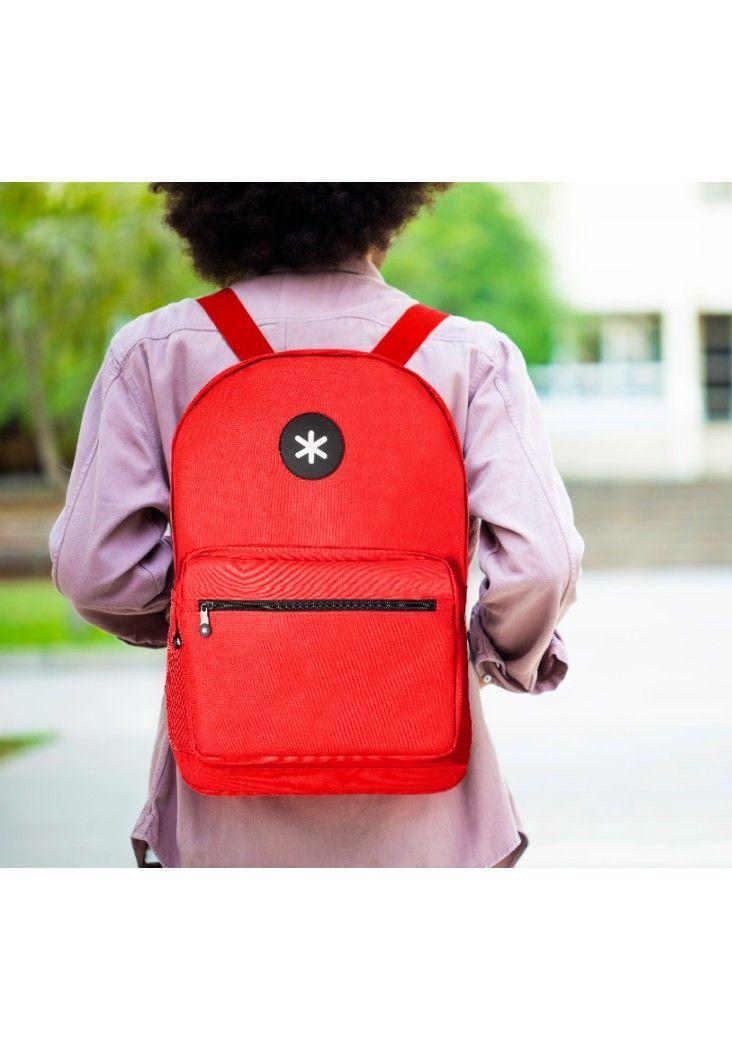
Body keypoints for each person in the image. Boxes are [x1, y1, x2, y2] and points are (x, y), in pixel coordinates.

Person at [49, 183, 584, 867]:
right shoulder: (468, 356)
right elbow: (542, 562)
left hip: (227, 808)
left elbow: (96, 571)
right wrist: (486, 652)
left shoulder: (155, 352)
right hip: (427, 808)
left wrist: (213, 616)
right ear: (391, 204)